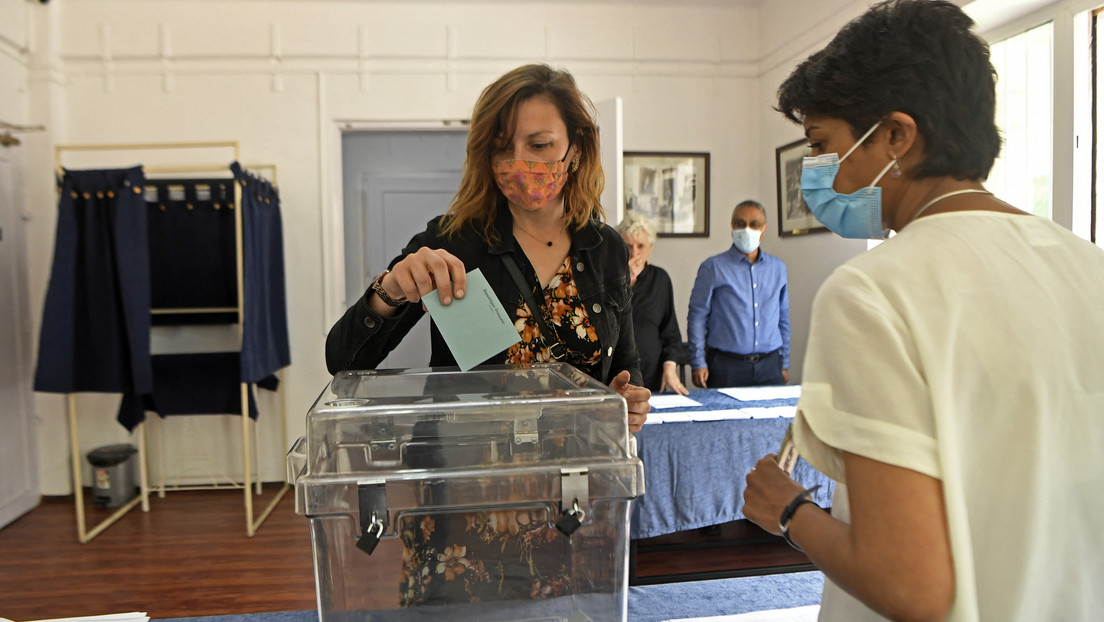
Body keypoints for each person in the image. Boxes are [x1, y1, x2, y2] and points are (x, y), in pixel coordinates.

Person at [741, 2, 1104, 621]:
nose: (818, 174)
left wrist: (789, 508)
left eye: (824, 147)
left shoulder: (873, 292)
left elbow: (910, 586)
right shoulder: (1089, 268)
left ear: (895, 136)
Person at [686, 199, 790, 388]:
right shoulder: (712, 267)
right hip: (726, 367)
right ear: (732, 227)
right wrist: (698, 362)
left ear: (764, 229)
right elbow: (697, 316)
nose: (747, 229)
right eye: (740, 224)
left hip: (770, 365)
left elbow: (783, 318)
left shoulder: (778, 268)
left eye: (754, 224)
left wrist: (785, 362)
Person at [616, 212, 688, 395]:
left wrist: (670, 368)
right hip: (615, 379)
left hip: (652, 380)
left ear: (650, 248)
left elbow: (671, 333)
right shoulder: (608, 279)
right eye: (628, 246)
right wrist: (624, 281)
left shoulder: (660, 279)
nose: (634, 253)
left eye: (641, 246)